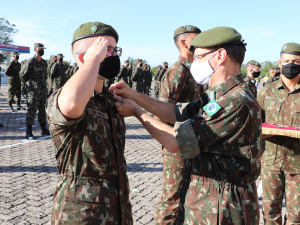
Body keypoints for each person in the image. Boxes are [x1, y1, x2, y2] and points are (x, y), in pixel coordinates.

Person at [111, 26, 261, 224]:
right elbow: (175, 112)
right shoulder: (219, 95)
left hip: (223, 207)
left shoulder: (234, 101)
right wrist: (133, 95)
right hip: (210, 199)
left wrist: (138, 113)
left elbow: (177, 141)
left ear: (220, 55)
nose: (194, 63)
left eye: (199, 57)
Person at [46, 21, 132, 225]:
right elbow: (71, 104)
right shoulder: (63, 97)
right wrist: (93, 59)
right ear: (84, 57)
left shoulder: (110, 100)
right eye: (105, 50)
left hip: (118, 209)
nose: (113, 56)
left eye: (114, 50)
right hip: (81, 214)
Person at [154, 25, 202, 225]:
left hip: (192, 144)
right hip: (177, 147)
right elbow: (161, 114)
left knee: (188, 199)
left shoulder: (195, 70)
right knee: (173, 202)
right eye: (198, 39)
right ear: (184, 43)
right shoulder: (177, 72)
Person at [257, 42, 300, 225]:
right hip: (271, 164)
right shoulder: (267, 90)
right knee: (270, 215)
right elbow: (255, 123)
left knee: (296, 217)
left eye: (296, 61)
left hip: (298, 164)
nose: (291, 64)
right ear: (279, 62)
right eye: (287, 60)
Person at [20, 43, 50, 139]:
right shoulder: (30, 62)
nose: (41, 50)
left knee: (43, 110)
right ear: (35, 50)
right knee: (31, 110)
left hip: (42, 91)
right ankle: (29, 132)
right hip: (33, 92)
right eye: (39, 49)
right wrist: (28, 85)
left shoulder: (44, 62)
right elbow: (22, 75)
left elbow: (45, 76)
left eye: (42, 49)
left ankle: (44, 129)